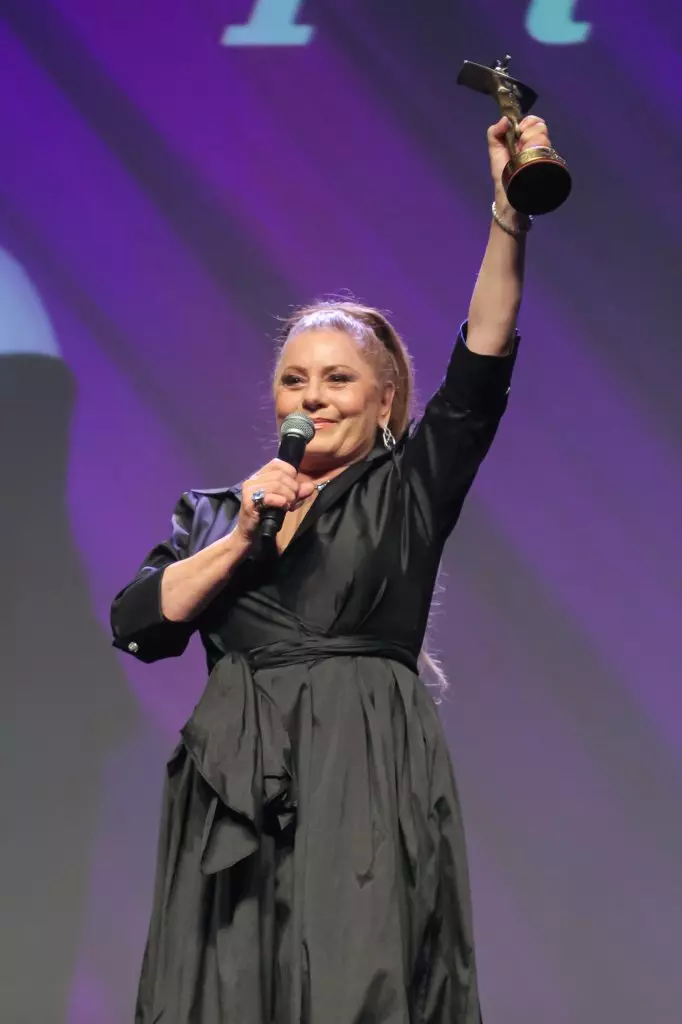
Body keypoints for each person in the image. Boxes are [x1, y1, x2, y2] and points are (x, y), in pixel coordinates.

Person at [111, 113, 552, 1024]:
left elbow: (483, 356)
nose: (312, 396)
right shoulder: (219, 511)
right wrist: (239, 538)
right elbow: (138, 622)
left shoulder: (409, 489)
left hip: (362, 764)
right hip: (236, 781)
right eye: (295, 379)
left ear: (385, 399)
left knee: (361, 979)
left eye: (337, 379)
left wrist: (510, 214)